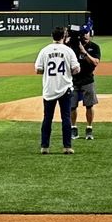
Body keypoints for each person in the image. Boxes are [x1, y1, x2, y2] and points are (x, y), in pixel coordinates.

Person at [34, 26, 80, 155]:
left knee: (47, 118)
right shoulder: (68, 50)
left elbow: (38, 70)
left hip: (49, 89)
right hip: (65, 88)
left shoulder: (44, 50)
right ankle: (67, 147)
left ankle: (44, 147)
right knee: (66, 118)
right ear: (63, 37)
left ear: (52, 36)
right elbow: (76, 69)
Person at [69, 27, 102, 141]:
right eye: (83, 33)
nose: (86, 35)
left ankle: (89, 128)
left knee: (89, 105)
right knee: (72, 106)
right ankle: (73, 128)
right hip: (73, 80)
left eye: (87, 33)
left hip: (88, 79)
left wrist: (84, 52)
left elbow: (95, 62)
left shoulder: (94, 47)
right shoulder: (72, 46)